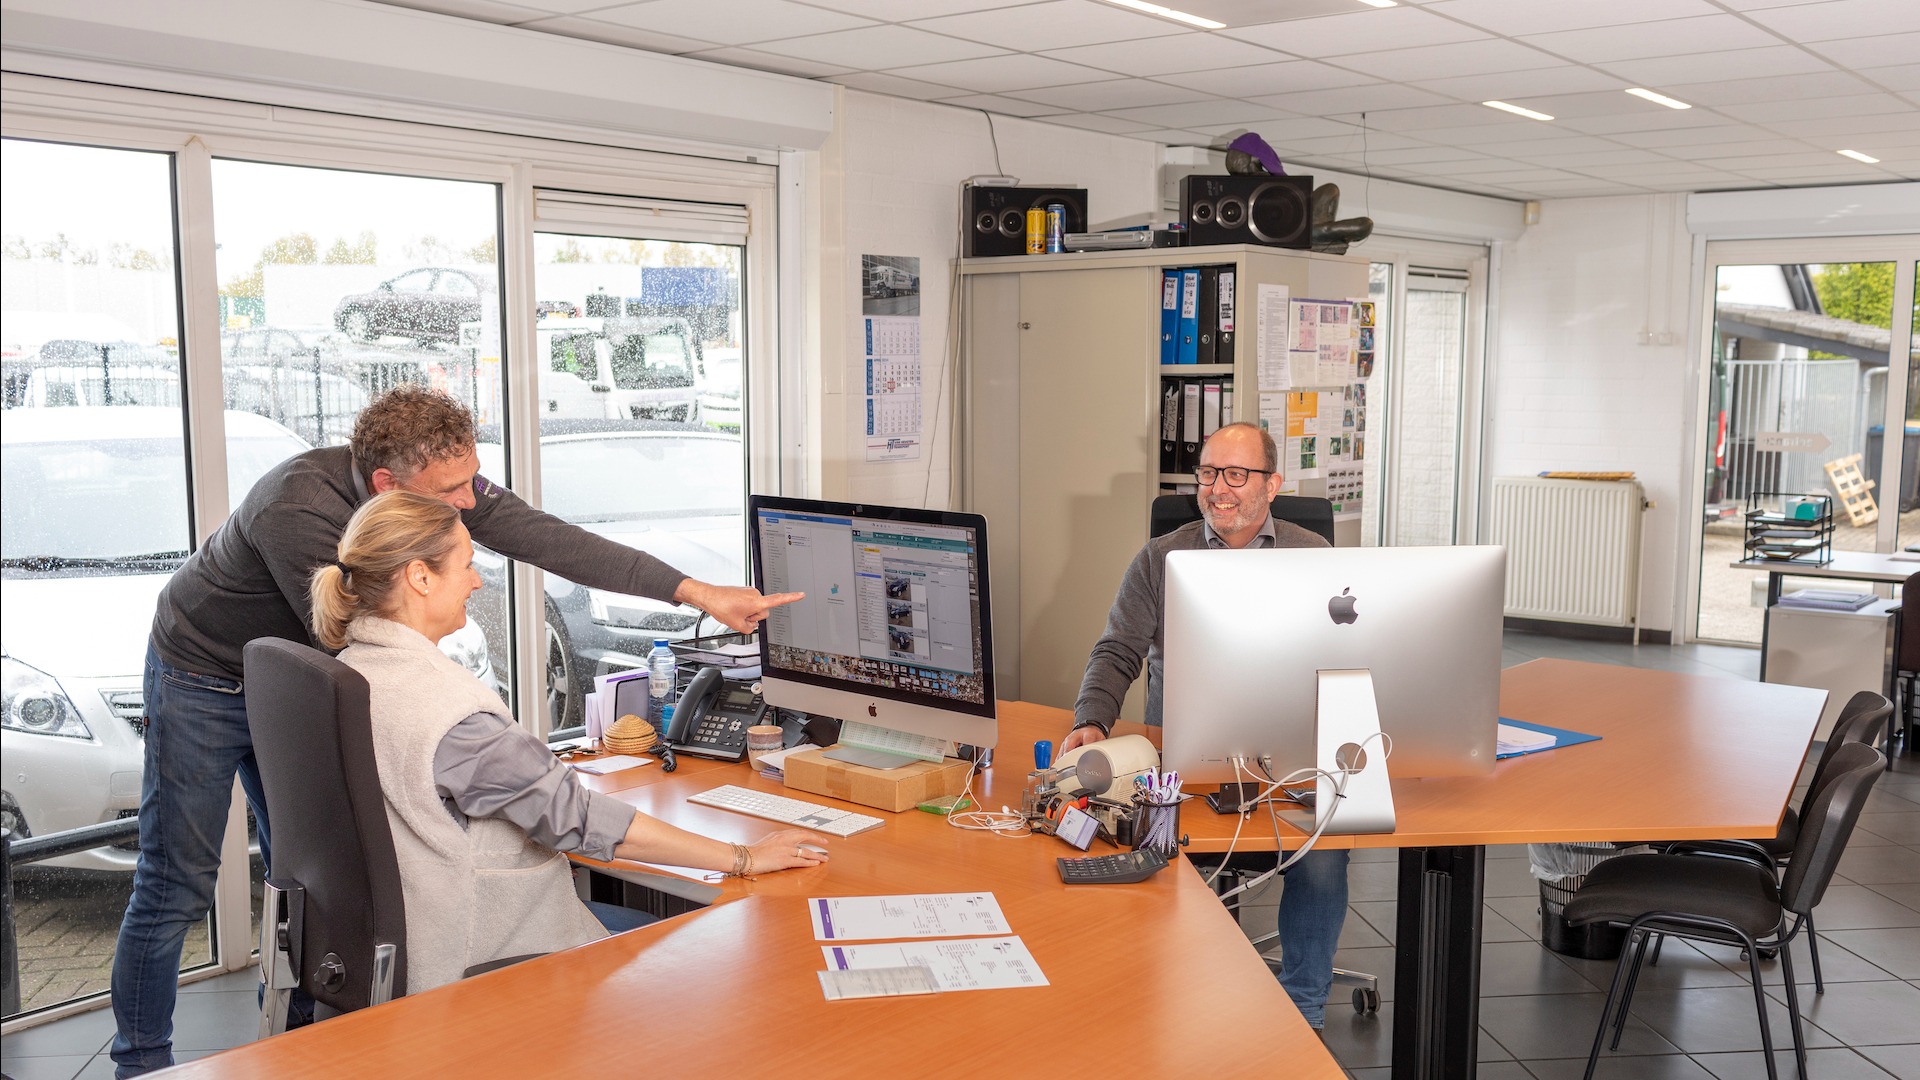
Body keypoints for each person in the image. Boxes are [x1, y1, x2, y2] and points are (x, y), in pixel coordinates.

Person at [111, 386, 801, 1076]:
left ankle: (305, 1052)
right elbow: (369, 667)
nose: (470, 502)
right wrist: (499, 756)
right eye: (453, 496)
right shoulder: (299, 514)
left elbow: (549, 539)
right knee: (180, 883)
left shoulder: (429, 506)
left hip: (293, 675)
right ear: (391, 490)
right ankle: (139, 1064)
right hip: (206, 674)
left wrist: (697, 593)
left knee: (317, 881)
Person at [310, 490, 824, 990]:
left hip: (398, 939)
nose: (477, 581)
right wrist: (743, 857)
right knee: (713, 958)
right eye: (466, 565)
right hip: (477, 952)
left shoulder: (350, 671)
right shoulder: (451, 714)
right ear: (420, 577)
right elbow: (579, 819)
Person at [1060, 421, 1352, 1032]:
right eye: (1209, 473)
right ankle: (1183, 999)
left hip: (1291, 761)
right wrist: (1092, 720)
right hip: (1184, 764)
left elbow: (1349, 656)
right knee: (1165, 852)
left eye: (1237, 475)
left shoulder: (1314, 556)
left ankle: (1304, 1012)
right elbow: (1117, 651)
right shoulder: (1162, 558)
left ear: (1272, 484)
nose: (1219, 489)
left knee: (1323, 857)